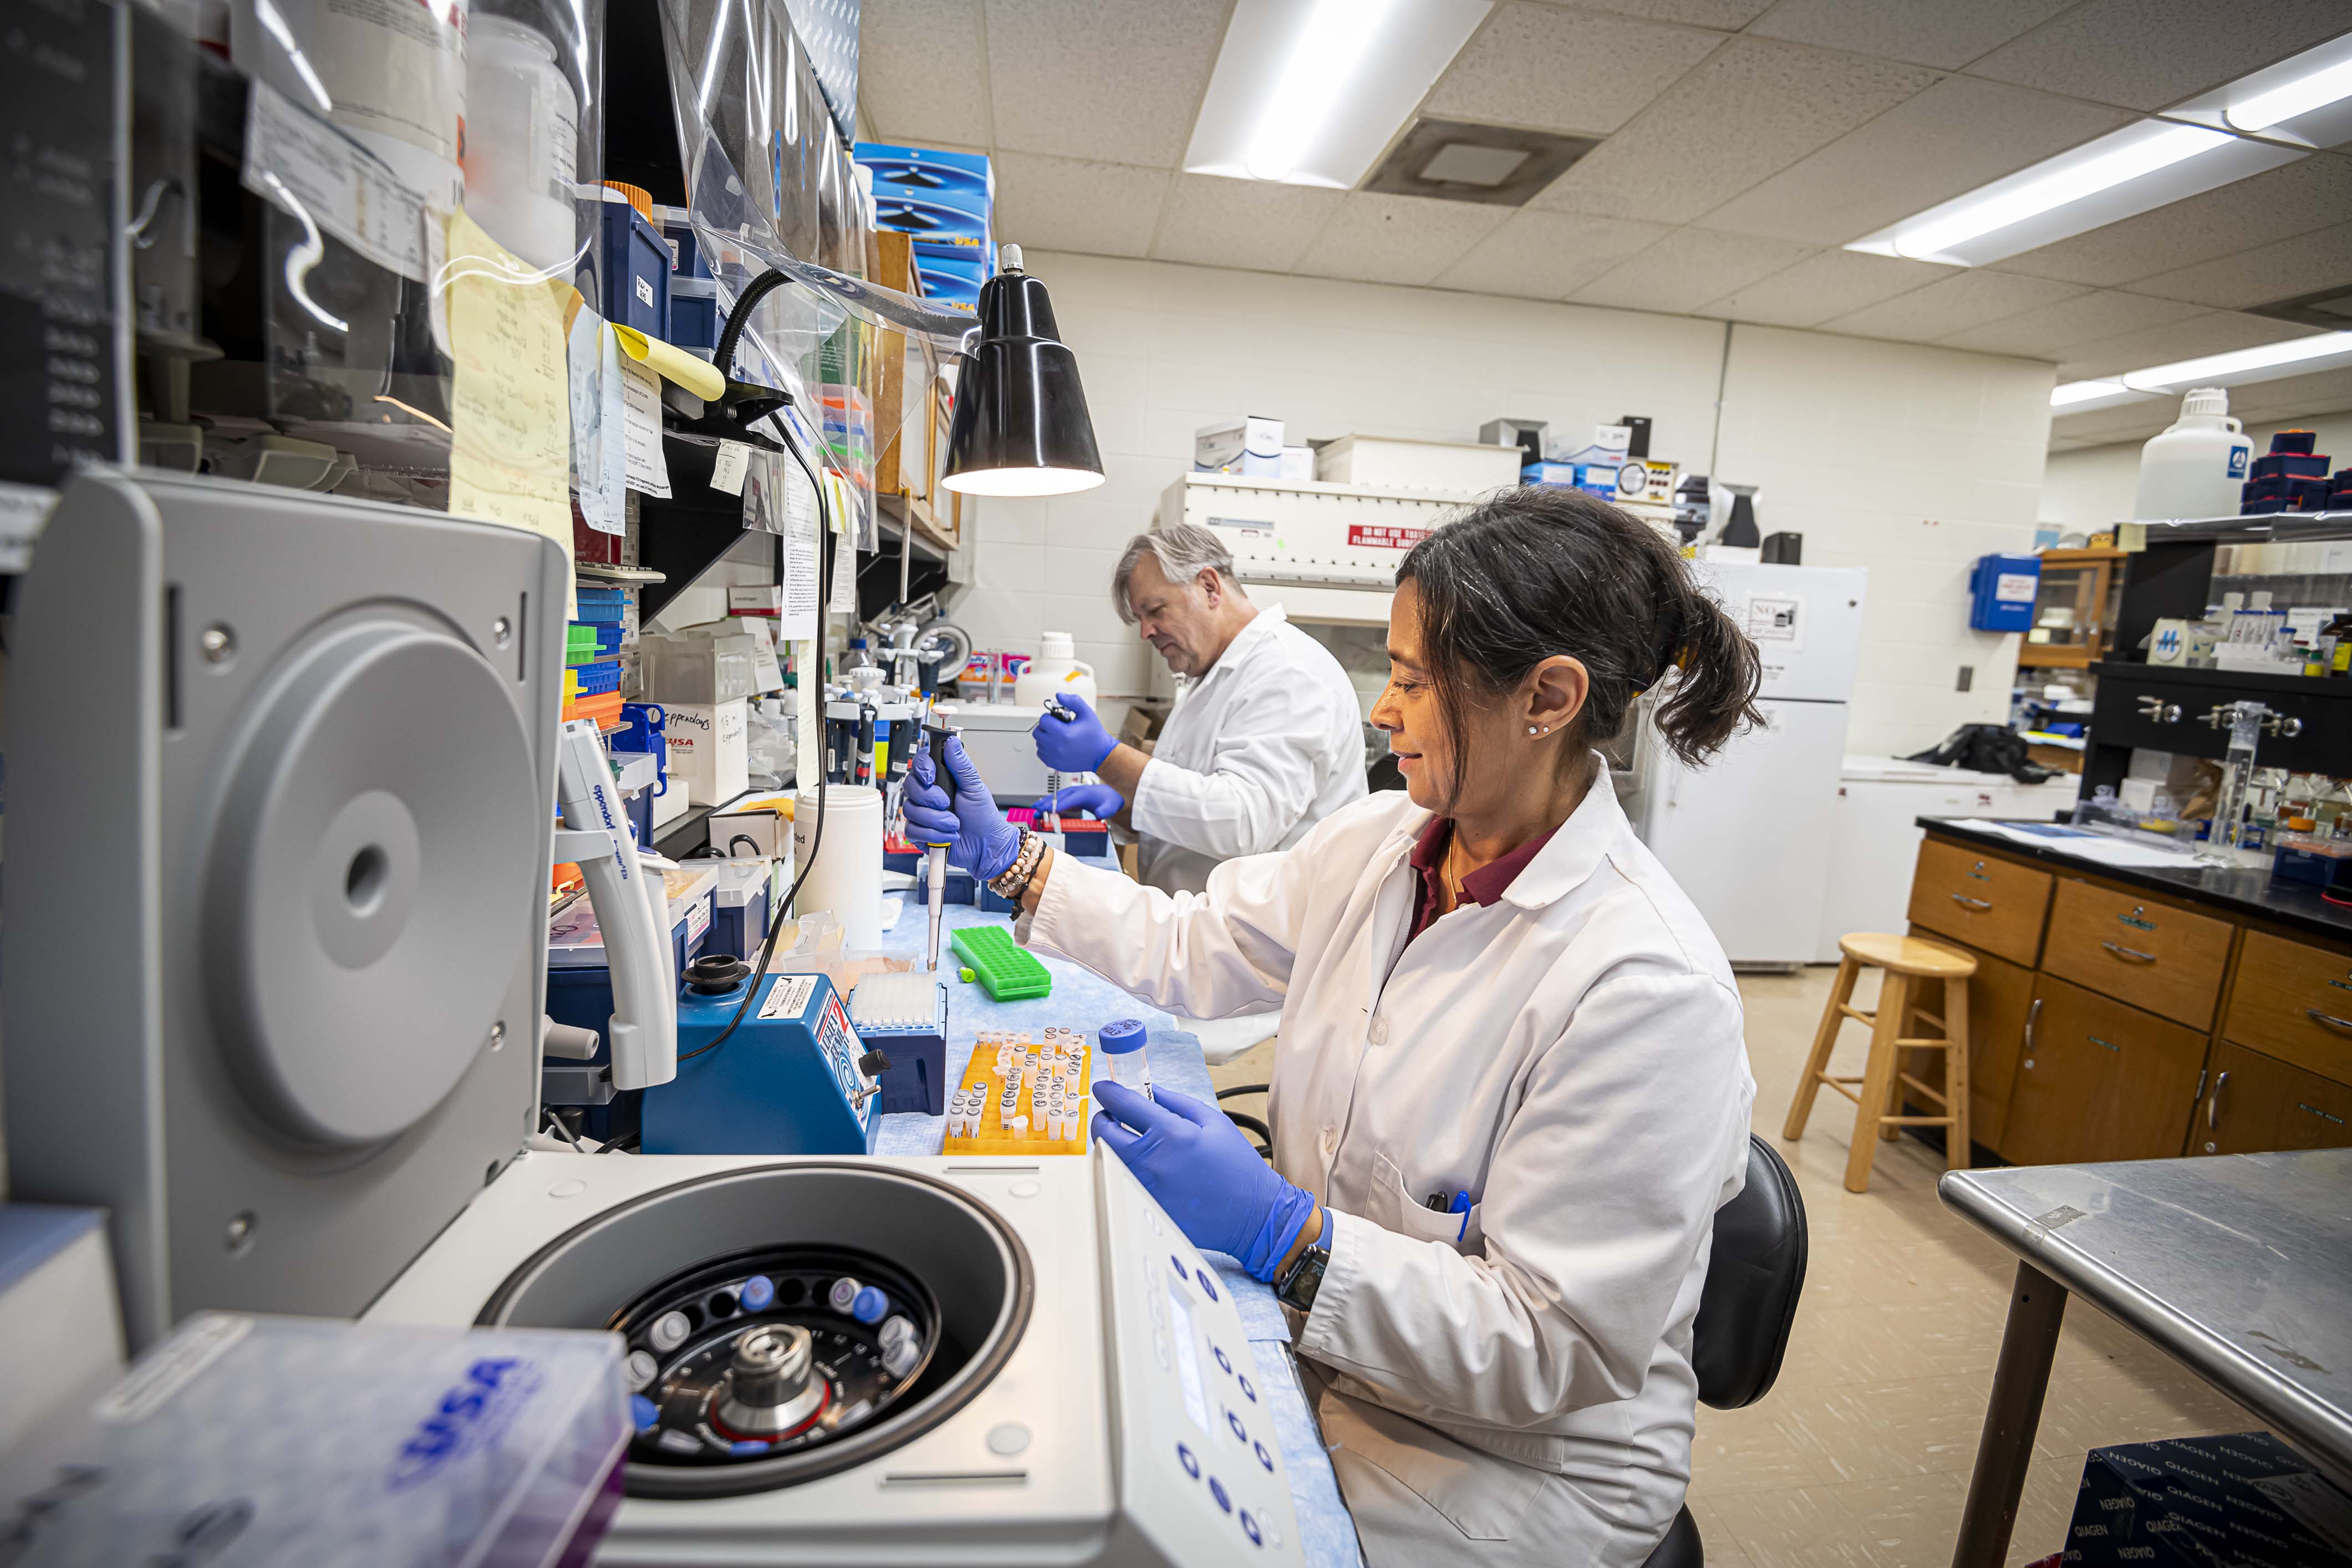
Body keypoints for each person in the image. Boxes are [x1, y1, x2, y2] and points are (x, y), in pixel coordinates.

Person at [907, 487, 1763, 1567]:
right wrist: (1016, 863)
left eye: (1411, 680)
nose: (1382, 712)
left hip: (1500, 1471)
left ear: (1546, 697)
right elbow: (1194, 946)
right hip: (1332, 1355)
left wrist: (1287, 1234)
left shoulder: (1647, 987)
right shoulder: (1385, 840)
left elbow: (1551, 1344)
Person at [1026, 521, 1366, 897]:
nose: (1146, 632)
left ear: (1209, 587)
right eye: (1140, 618)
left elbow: (1243, 823)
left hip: (1264, 943)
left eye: (1155, 611)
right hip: (1203, 928)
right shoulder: (1209, 674)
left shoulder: (1290, 674)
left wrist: (1107, 758)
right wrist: (1124, 807)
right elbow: (1195, 803)